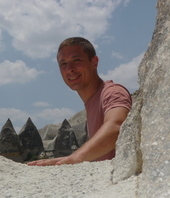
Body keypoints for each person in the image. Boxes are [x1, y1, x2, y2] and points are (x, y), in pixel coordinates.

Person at [28, 37, 132, 166]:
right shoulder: (92, 101)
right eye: (63, 64)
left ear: (94, 62)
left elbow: (117, 126)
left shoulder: (112, 92)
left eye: (76, 60)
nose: (69, 69)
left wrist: (76, 157)